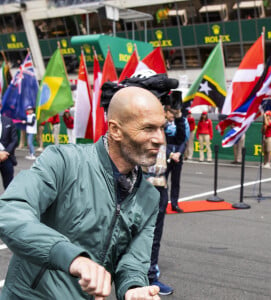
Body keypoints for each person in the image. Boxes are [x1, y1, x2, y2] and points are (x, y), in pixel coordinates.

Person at [0, 86, 165, 300]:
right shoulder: (63, 161)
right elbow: (11, 211)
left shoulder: (150, 197)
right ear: (115, 130)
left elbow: (134, 260)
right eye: (148, 128)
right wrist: (73, 258)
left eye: (162, 128)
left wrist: (133, 288)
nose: (160, 139)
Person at [145, 107, 186, 295]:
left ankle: (151, 276)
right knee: (136, 234)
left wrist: (178, 117)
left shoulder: (166, 128)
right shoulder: (145, 124)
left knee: (155, 237)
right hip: (142, 185)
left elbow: (179, 137)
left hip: (160, 185)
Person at [164, 106, 188, 213]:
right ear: (166, 112)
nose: (173, 115)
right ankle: (162, 204)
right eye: (171, 113)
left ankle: (175, 203)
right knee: (162, 182)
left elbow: (183, 140)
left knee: (176, 181)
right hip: (165, 157)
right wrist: (170, 154)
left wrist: (179, 153)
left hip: (177, 157)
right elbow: (161, 143)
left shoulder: (181, 122)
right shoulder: (161, 124)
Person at [0, 102, 18, 189]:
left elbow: (14, 140)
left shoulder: (8, 121)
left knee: (9, 187)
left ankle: (8, 203)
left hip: (7, 158)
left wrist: (5, 153)